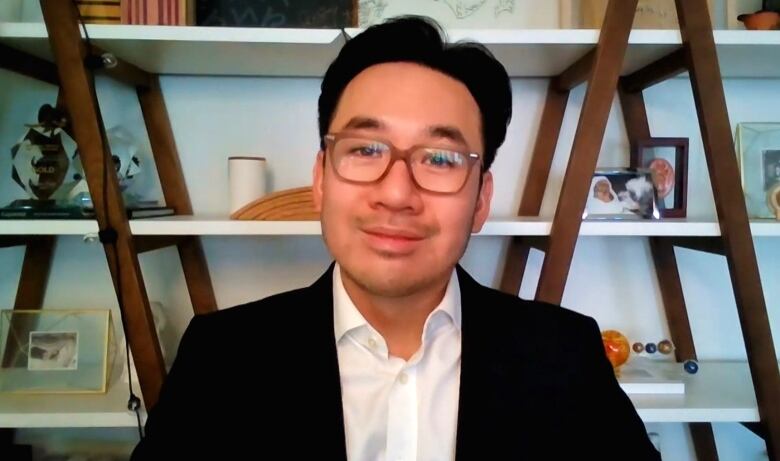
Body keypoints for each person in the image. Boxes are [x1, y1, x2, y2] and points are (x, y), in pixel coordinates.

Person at [131, 16, 660, 460]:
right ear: (320, 180)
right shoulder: (220, 359)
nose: (396, 194)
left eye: (439, 159)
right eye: (365, 150)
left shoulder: (565, 356)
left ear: (480, 199)